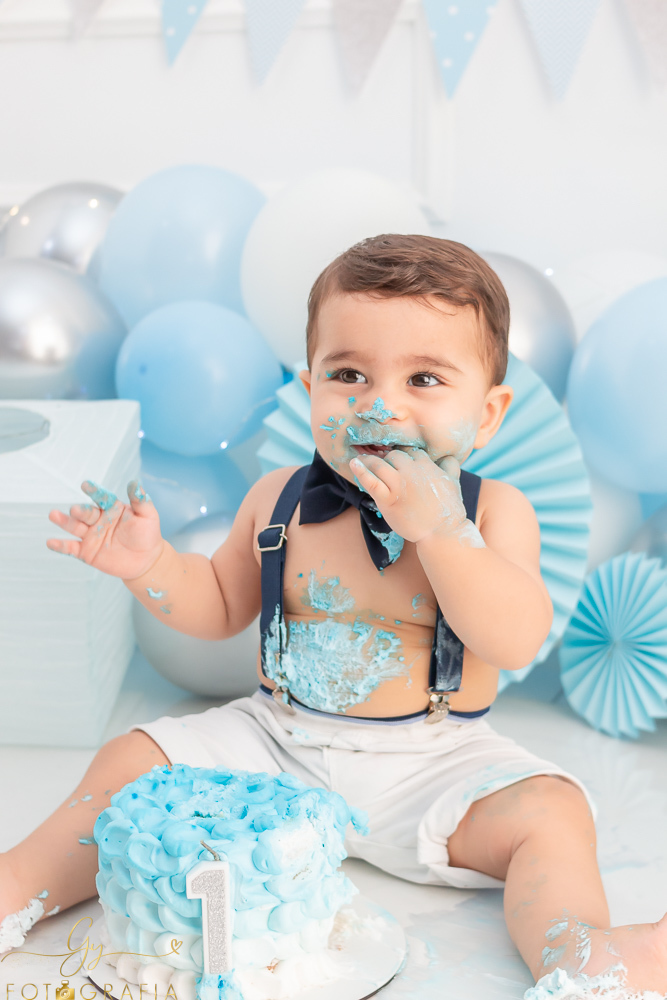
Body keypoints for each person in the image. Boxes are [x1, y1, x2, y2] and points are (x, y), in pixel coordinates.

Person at [1, 235, 665, 998]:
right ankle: (16, 886)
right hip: (275, 743)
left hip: (434, 760)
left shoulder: (495, 512)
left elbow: (510, 637)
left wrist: (444, 532)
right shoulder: (279, 497)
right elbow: (218, 607)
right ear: (308, 383)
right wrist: (149, 568)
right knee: (129, 761)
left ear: (485, 415)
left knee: (552, 812)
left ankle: (580, 953)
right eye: (348, 374)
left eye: (423, 378)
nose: (379, 404)